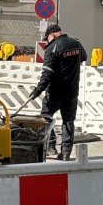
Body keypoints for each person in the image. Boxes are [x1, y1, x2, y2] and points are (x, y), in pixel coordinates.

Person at [29, 25, 87, 161]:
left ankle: (51, 146)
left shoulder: (52, 48)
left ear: (53, 35)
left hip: (55, 92)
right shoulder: (76, 44)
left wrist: (37, 91)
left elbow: (47, 74)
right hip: (72, 91)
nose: (47, 42)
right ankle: (66, 153)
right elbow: (84, 57)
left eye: (47, 39)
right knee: (68, 121)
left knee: (46, 117)